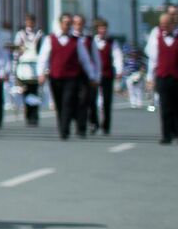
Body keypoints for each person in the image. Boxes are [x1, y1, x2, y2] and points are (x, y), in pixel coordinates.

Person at [37, 12, 98, 141]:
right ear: (60, 24)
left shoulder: (76, 41)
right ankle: (62, 126)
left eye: (69, 23)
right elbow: (43, 58)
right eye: (65, 23)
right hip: (55, 76)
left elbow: (85, 59)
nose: (67, 26)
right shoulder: (50, 39)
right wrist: (41, 73)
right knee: (59, 103)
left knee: (67, 102)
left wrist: (92, 76)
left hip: (71, 77)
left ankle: (64, 130)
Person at [146, 7, 178, 144]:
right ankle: (166, 135)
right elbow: (153, 59)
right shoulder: (156, 38)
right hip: (163, 77)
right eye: (161, 24)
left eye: (166, 24)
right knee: (165, 107)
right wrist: (150, 78)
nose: (163, 27)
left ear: (172, 24)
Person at [87, 18, 121, 135]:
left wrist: (119, 70)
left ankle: (106, 125)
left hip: (107, 74)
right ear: (98, 29)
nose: (103, 30)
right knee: (92, 100)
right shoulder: (93, 41)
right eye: (101, 28)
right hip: (95, 75)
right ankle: (94, 122)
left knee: (107, 101)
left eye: (104, 28)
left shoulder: (112, 42)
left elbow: (117, 56)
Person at [13, 14, 44, 125]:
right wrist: (15, 68)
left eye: (32, 21)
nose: (30, 23)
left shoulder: (39, 34)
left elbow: (42, 52)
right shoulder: (20, 35)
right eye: (28, 21)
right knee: (26, 91)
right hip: (24, 68)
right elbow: (16, 52)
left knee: (35, 91)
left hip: (35, 67)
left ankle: (34, 115)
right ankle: (28, 114)